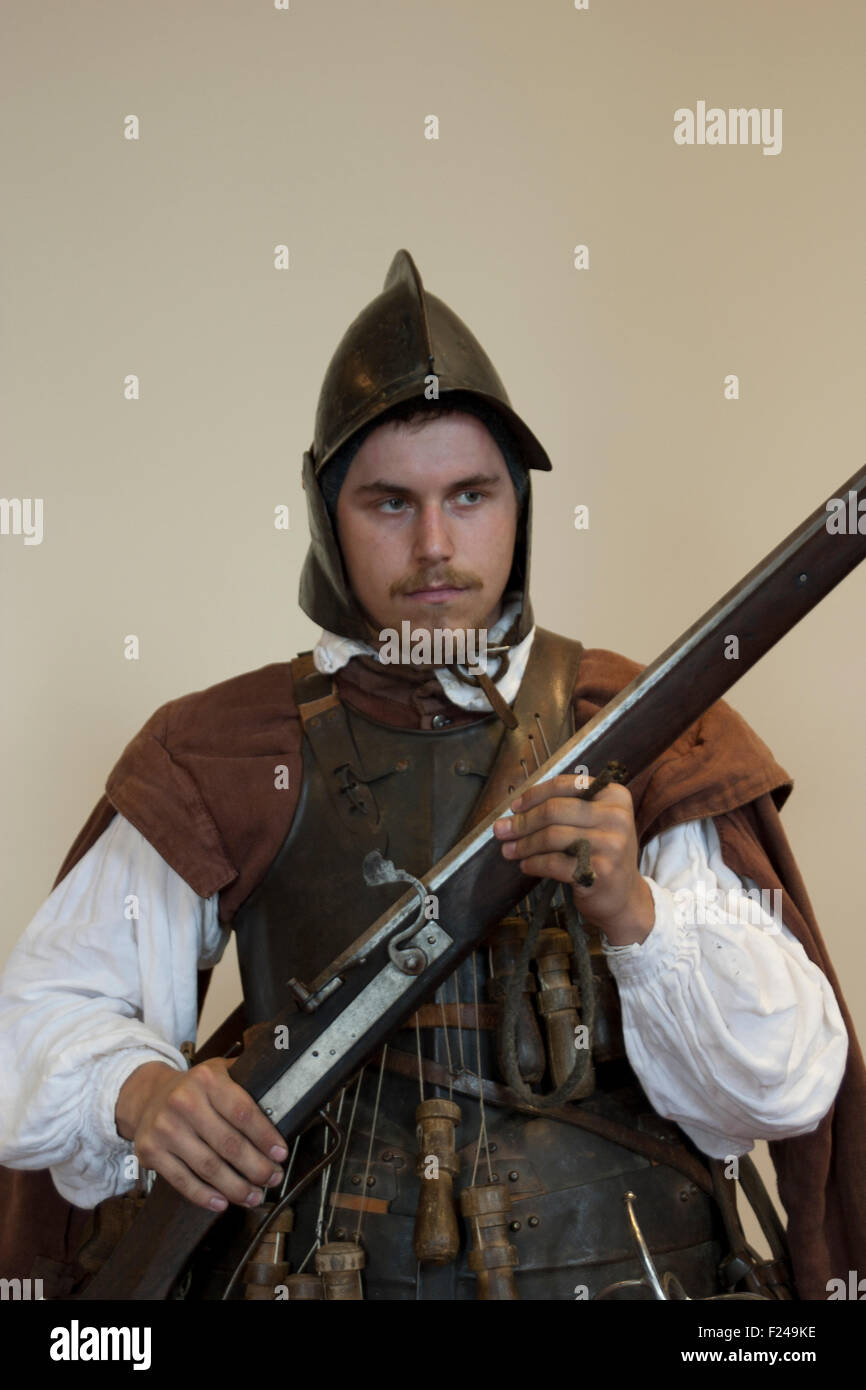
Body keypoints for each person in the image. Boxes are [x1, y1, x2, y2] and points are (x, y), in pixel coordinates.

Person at [0, 250, 862, 1301]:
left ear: (517, 506)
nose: (437, 545)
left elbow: (782, 1087)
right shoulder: (223, 747)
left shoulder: (639, 727)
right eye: (389, 503)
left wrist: (636, 913)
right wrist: (135, 1092)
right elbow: (39, 1018)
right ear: (328, 516)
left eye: (469, 494)